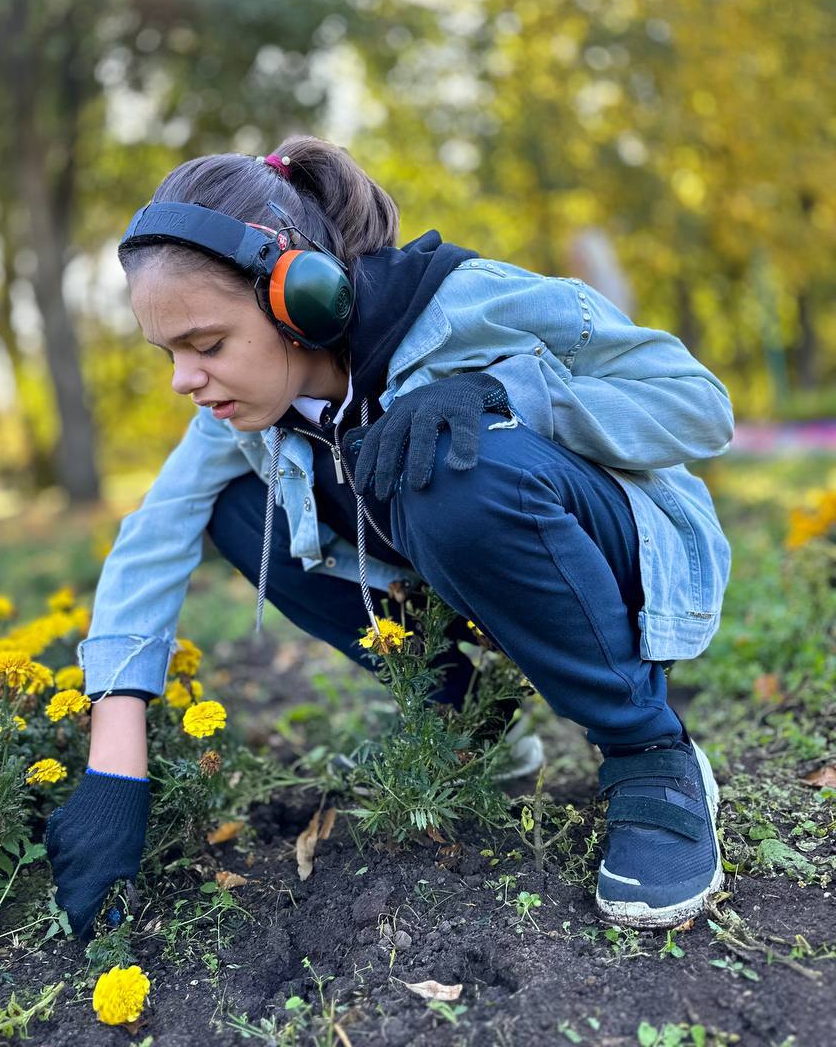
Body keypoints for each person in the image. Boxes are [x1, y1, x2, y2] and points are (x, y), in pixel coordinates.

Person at [45, 136, 733, 941]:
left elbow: (699, 405)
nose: (183, 380)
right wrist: (112, 773)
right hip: (467, 563)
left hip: (609, 564)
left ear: (299, 299)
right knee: (232, 504)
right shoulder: (246, 412)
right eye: (169, 354)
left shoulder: (467, 305)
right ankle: (464, 721)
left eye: (206, 345)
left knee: (449, 466)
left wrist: (499, 395)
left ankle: (649, 751)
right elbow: (153, 535)